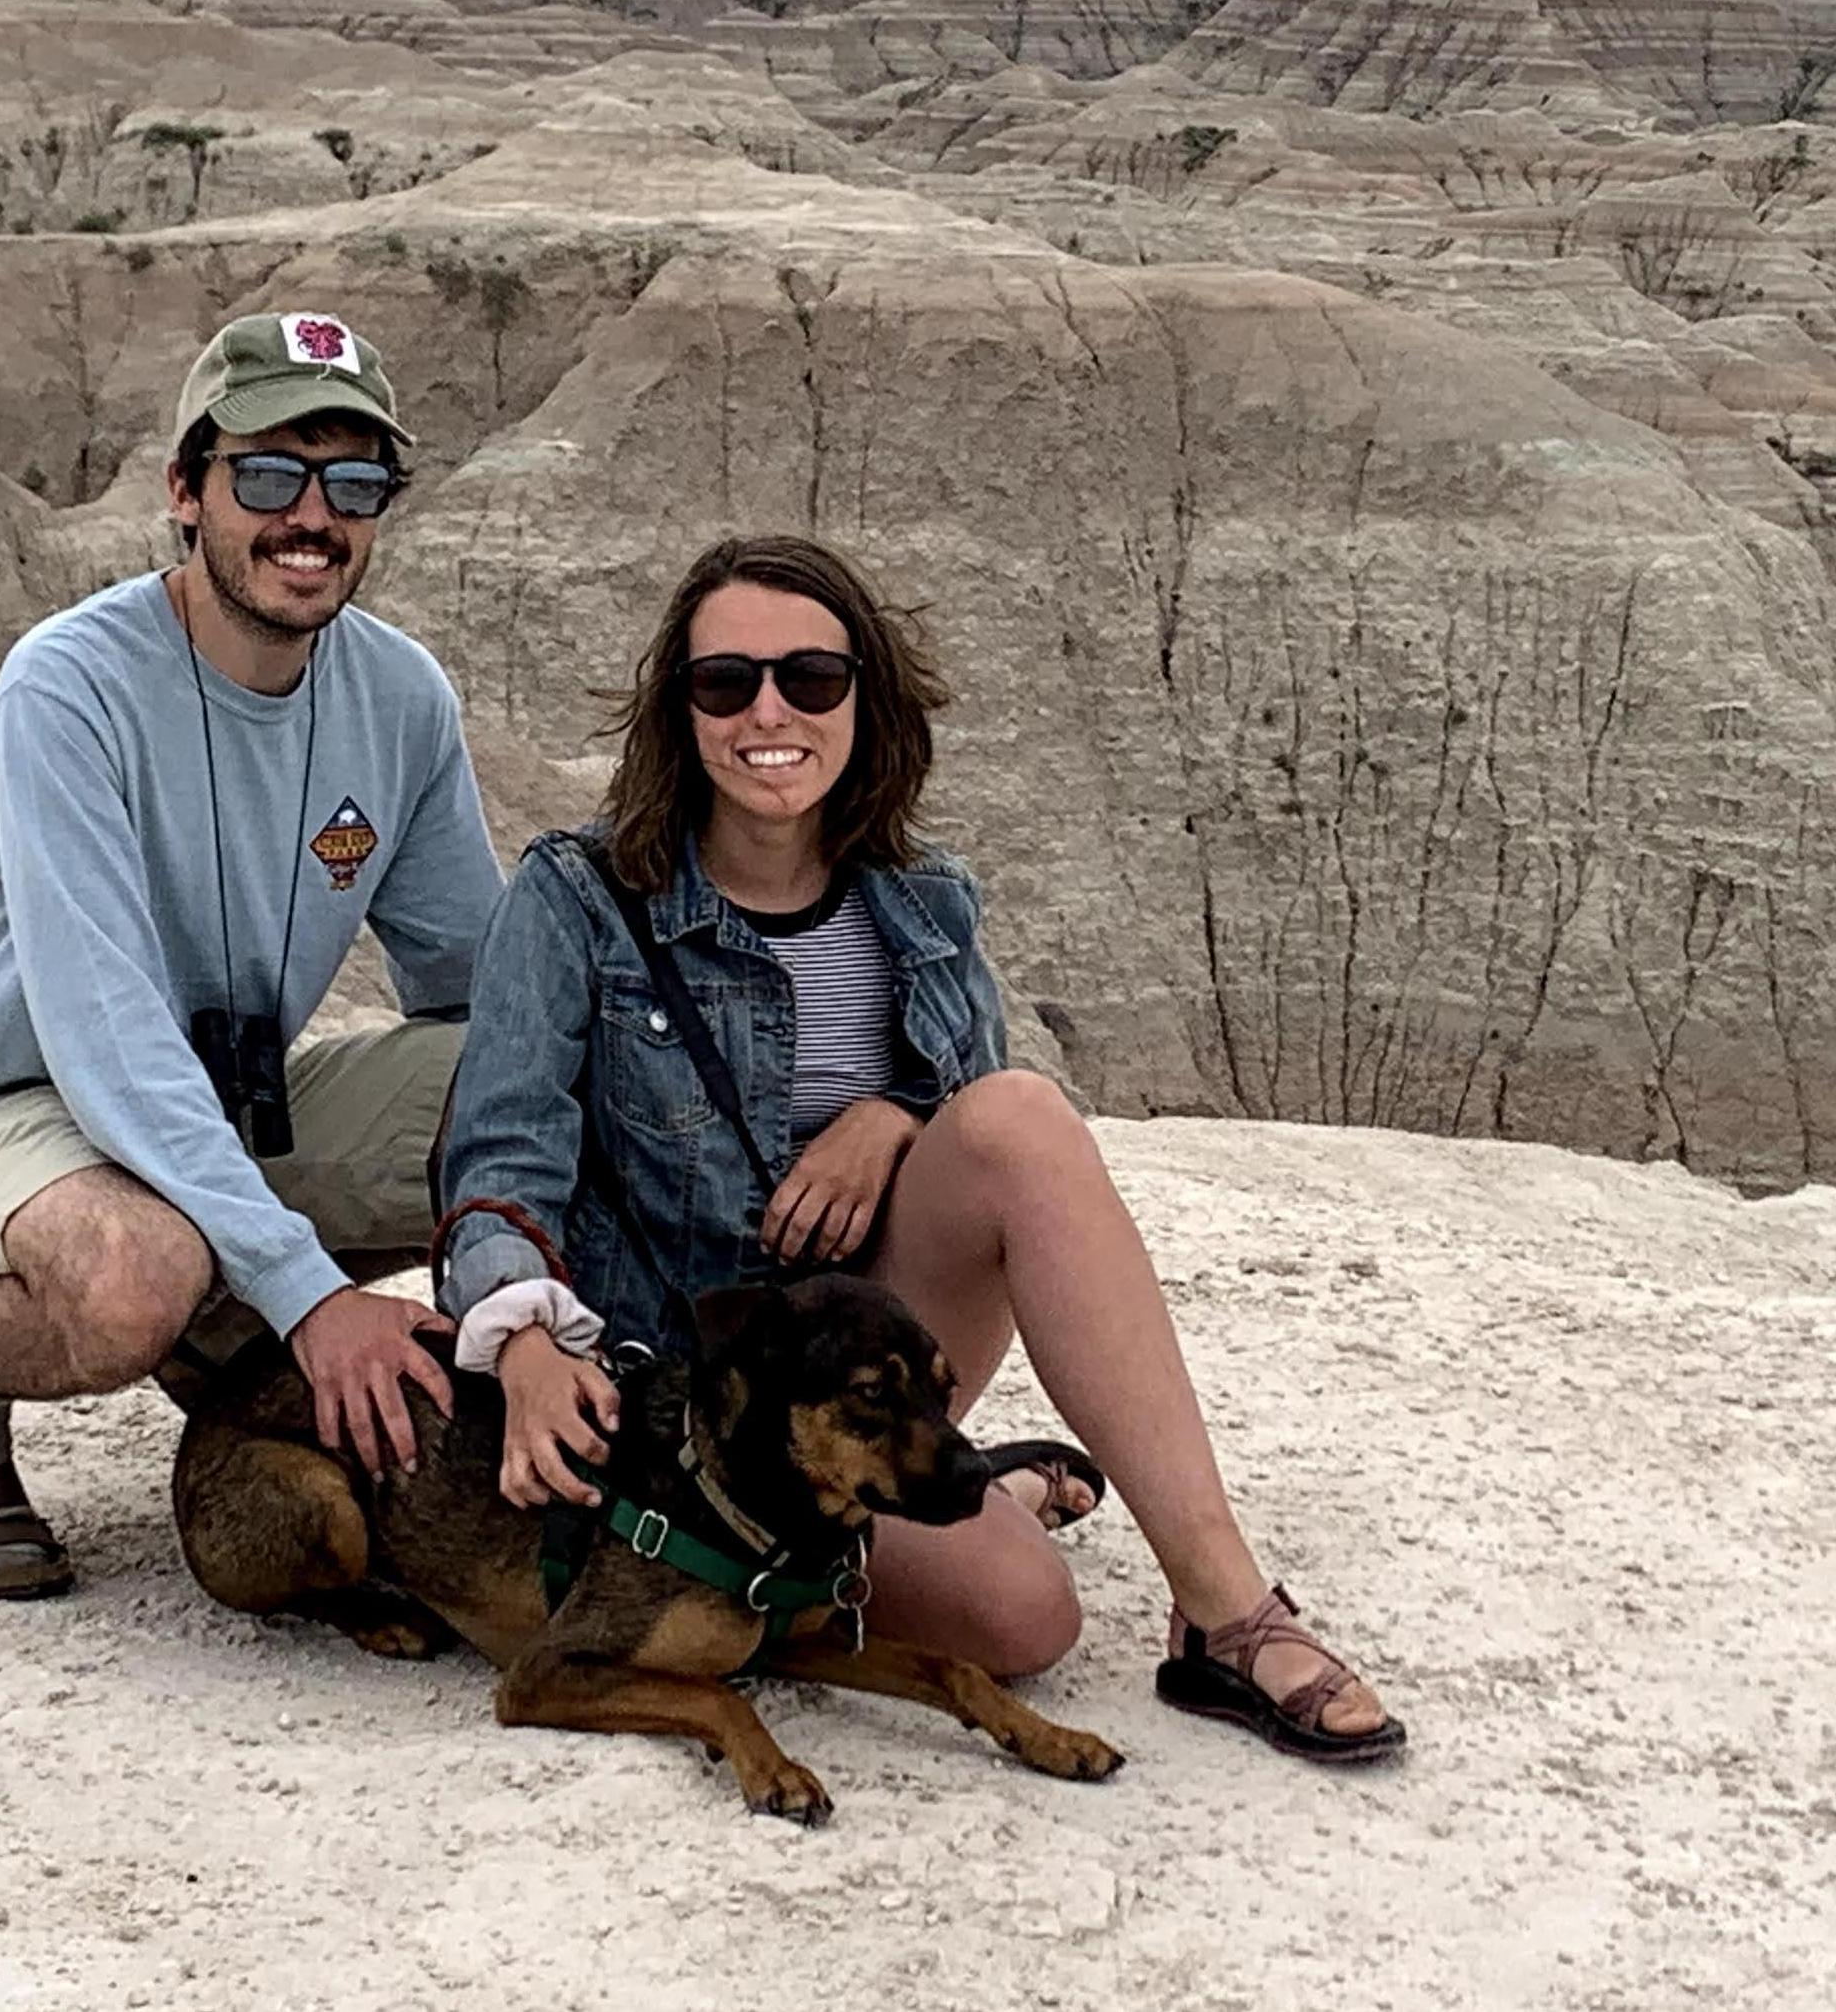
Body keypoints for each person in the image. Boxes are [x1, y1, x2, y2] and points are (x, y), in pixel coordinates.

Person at [435, 534, 1405, 1764]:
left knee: (1015, 1116)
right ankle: (960, 1481)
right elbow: (495, 1155)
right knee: (1025, 1616)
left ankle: (1225, 1613)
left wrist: (892, 1112)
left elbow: (986, 1125)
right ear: (679, 712)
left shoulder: (922, 901)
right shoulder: (578, 896)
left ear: (865, 698)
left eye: (812, 679)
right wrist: (520, 1336)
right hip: (692, 1399)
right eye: (724, 683)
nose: (768, 712)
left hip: (867, 1344)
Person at [0, 311, 505, 1599]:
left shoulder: (401, 696)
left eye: (352, 481)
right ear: (183, 489)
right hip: (5, 1121)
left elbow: (478, 985)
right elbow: (104, 1034)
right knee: (135, 1273)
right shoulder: (68, 690)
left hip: (222, 1106)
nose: (308, 516)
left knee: (551, 1091)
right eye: (266, 474)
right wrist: (312, 1296)